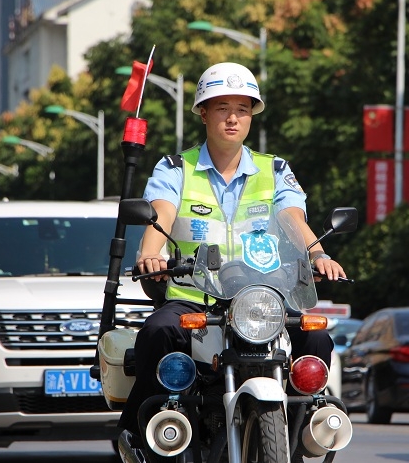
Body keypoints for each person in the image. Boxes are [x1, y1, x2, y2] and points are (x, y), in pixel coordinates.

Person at [118, 62, 345, 443]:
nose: (232, 118)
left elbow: (292, 216)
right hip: (195, 298)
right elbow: (161, 212)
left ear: (252, 116)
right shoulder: (176, 167)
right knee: (156, 331)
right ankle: (142, 432)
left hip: (261, 302)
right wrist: (151, 253)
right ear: (203, 113)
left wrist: (318, 254)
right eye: (222, 108)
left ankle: (309, 430)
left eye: (242, 109)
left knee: (316, 338)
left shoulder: (273, 169)